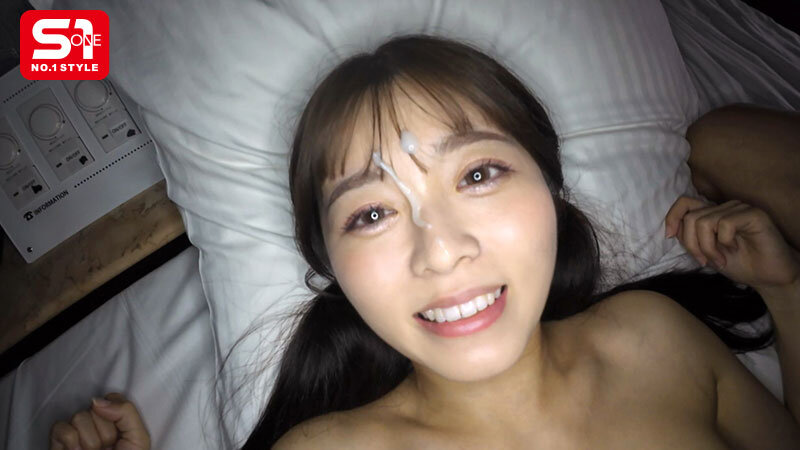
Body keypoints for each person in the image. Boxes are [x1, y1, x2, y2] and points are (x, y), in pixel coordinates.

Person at [49, 35, 800, 450]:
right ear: (332, 271)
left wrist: (787, 294)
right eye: (371, 214)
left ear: (551, 189)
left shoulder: (656, 339)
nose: (439, 252)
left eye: (478, 174)